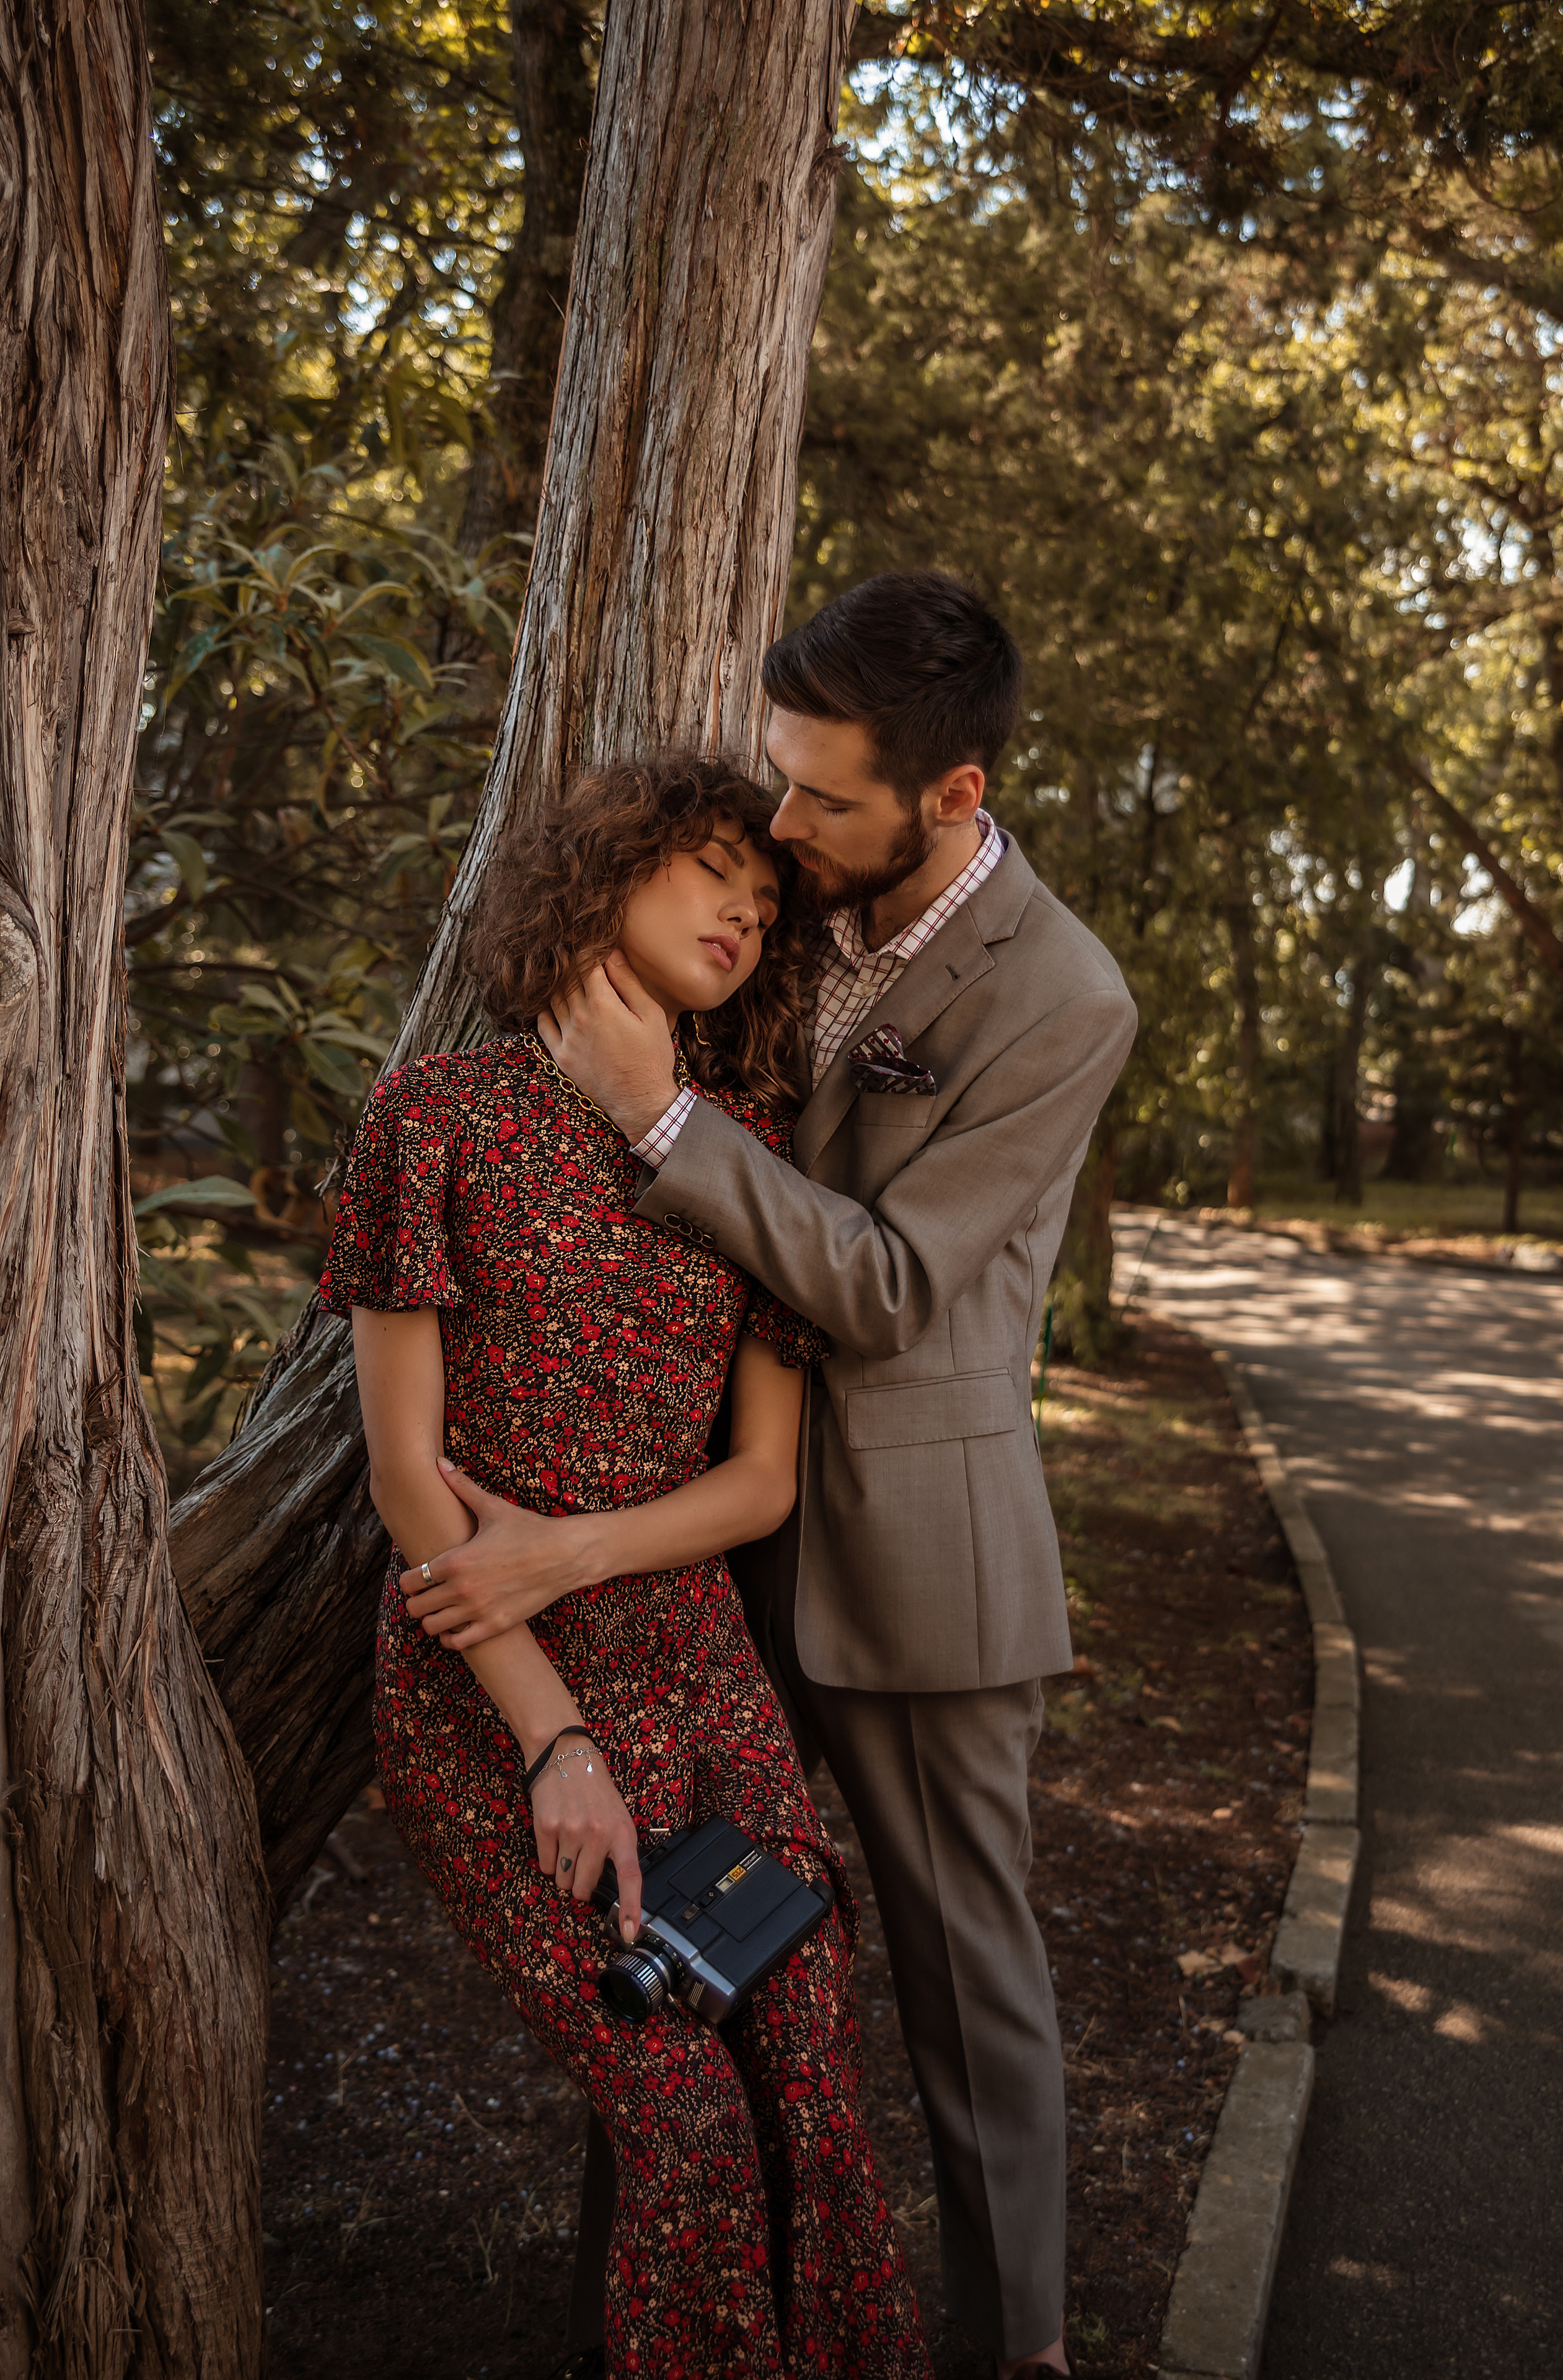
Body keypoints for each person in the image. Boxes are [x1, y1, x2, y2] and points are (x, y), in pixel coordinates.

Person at [506, 573, 1137, 2378]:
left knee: (968, 2005)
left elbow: (883, 1279)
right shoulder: (784, 901)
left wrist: (663, 1117)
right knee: (679, 1968)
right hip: (697, 1535)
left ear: (955, 790)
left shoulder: (1066, 996)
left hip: (919, 1565)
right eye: (777, 779)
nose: (773, 824)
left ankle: (1019, 2350)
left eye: (822, 796)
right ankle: (679, 2337)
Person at [320, 753, 932, 2380]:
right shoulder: (432, 1117)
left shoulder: (745, 1152)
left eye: (765, 889)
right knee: (688, 2129)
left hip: (701, 1673)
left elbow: (760, 1481)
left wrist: (572, 1552)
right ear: (602, 876)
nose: (746, 900)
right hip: (486, 1688)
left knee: (816, 2087)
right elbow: (402, 1473)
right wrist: (553, 1731)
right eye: (711, 865)